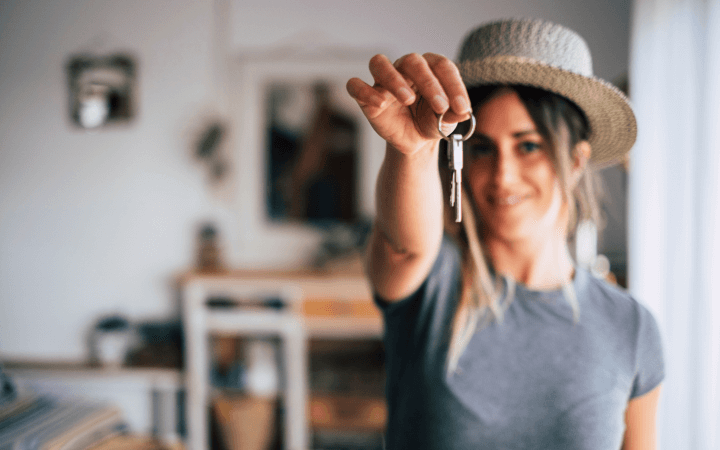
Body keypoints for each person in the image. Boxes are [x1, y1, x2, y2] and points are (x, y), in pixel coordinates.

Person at [346, 18, 664, 449]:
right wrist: (413, 151)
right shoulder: (433, 284)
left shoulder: (630, 327)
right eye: (483, 148)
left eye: (528, 145)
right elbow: (403, 247)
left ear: (574, 160)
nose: (503, 176)